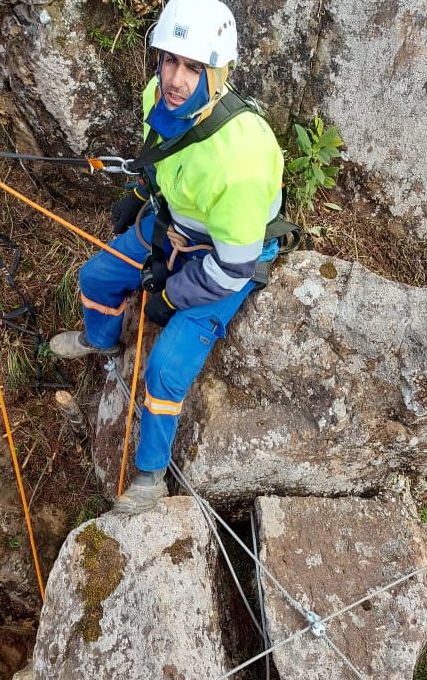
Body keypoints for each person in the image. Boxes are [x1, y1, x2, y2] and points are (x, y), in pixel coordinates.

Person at [50, 0, 284, 513]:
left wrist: (170, 295)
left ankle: (151, 476)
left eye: (193, 67)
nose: (175, 79)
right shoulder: (158, 95)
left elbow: (234, 268)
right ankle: (102, 340)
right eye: (169, 59)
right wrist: (141, 192)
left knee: (163, 372)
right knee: (96, 277)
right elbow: (164, 157)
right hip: (175, 224)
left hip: (225, 257)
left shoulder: (238, 161)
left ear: (218, 73)